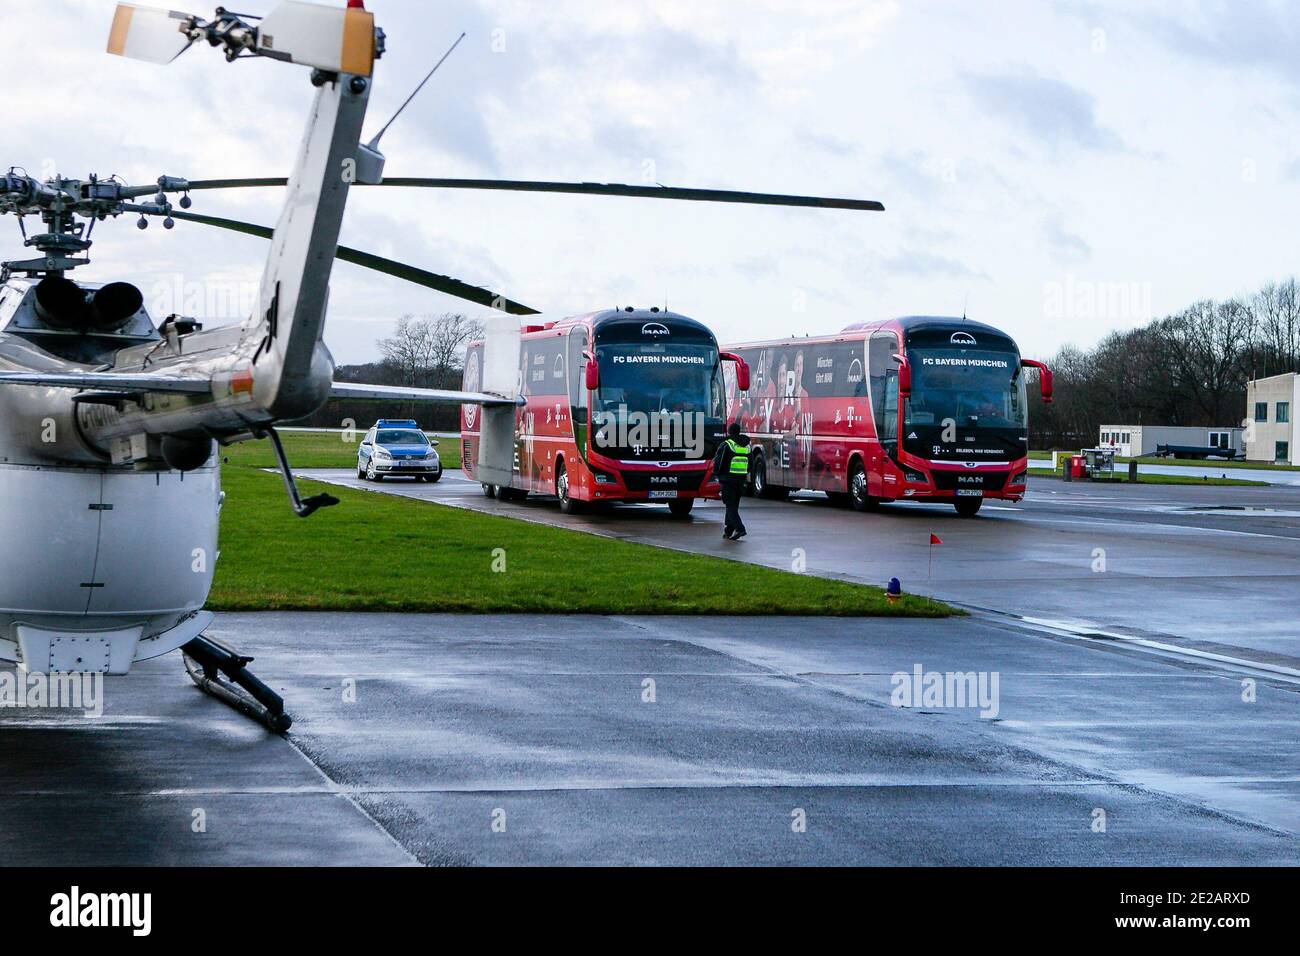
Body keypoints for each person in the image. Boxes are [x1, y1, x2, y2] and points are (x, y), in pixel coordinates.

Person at [712, 421, 752, 540]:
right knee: (733, 505)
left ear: (729, 432)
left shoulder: (726, 444)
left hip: (727, 480)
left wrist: (717, 474)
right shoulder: (747, 446)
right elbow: (751, 464)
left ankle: (740, 529)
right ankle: (728, 531)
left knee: (730, 506)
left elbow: (718, 463)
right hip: (741, 480)